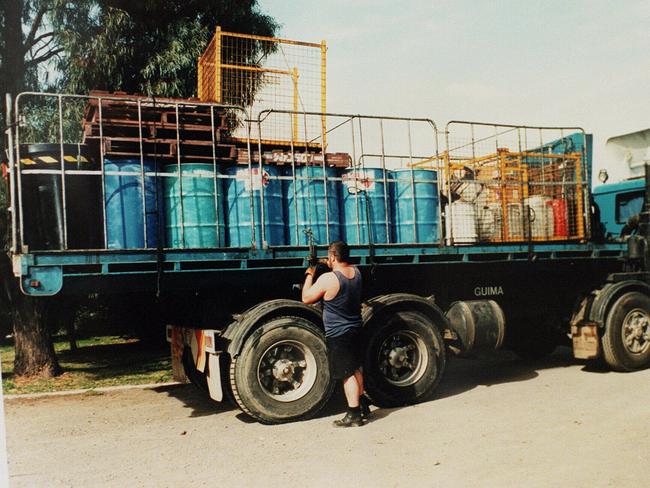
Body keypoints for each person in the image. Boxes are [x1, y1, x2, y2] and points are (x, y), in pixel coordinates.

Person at [302, 240, 370, 427]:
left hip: (339, 334)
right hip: (356, 328)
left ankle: (354, 414)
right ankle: (363, 406)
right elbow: (342, 271)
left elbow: (306, 297)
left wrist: (311, 272)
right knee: (356, 369)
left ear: (332, 256)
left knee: (347, 374)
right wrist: (330, 263)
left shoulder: (328, 279)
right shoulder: (356, 273)